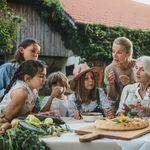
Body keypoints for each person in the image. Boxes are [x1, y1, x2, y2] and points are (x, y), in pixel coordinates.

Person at [0, 38, 41, 112]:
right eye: (33, 51)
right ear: (21, 50)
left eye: (38, 53)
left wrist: (35, 113)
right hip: (7, 112)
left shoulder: (34, 73)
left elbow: (36, 96)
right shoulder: (7, 68)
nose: (36, 55)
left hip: (26, 115)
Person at [104, 37, 136, 113]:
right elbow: (113, 98)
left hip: (134, 104)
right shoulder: (109, 69)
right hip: (115, 106)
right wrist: (111, 83)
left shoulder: (138, 66)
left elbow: (144, 93)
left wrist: (129, 85)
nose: (114, 56)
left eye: (119, 52)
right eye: (113, 51)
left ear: (128, 54)